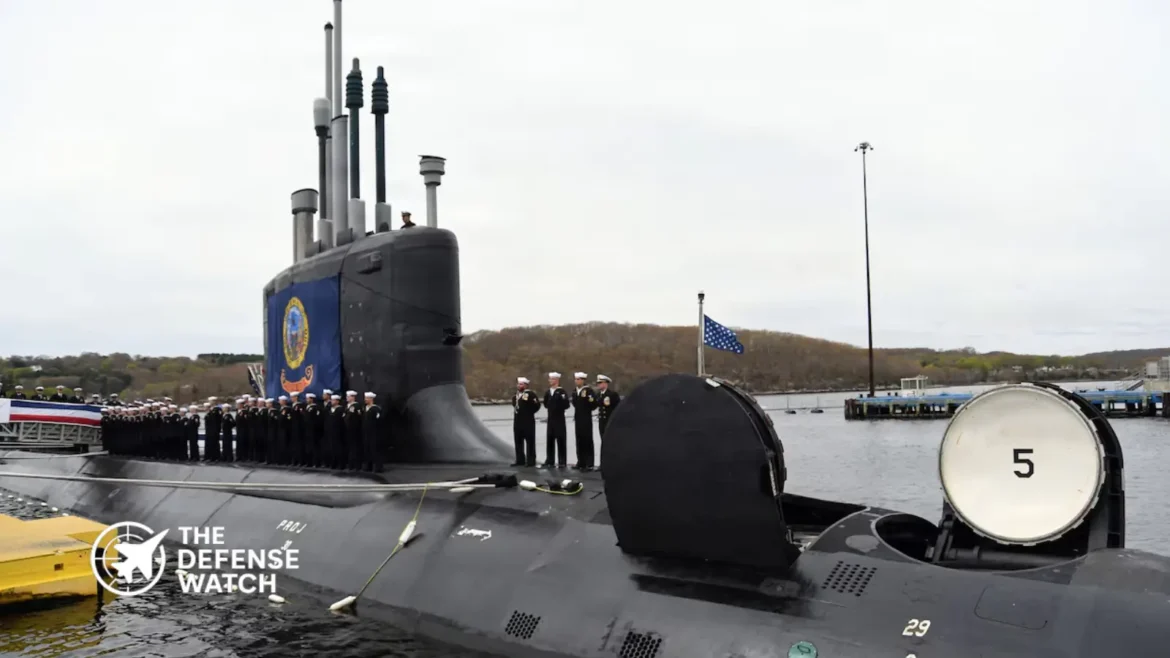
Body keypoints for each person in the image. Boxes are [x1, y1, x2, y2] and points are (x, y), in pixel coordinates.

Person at [511, 377, 541, 467]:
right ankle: (520, 460)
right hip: (518, 421)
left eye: (521, 384)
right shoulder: (516, 395)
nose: (519, 386)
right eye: (518, 384)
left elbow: (537, 405)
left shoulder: (530, 394)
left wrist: (529, 413)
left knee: (530, 442)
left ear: (526, 385)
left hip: (528, 422)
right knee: (518, 441)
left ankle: (531, 461)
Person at [571, 372, 598, 471]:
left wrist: (586, 409)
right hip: (578, 418)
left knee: (587, 440)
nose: (577, 381)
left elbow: (593, 404)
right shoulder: (575, 391)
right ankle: (581, 461)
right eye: (576, 379)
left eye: (578, 379)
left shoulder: (588, 391)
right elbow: (574, 403)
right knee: (579, 440)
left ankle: (589, 463)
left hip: (586, 418)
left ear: (583, 380)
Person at [542, 372, 570, 468]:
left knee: (561, 440)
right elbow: (545, 404)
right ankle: (550, 460)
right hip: (550, 419)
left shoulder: (561, 392)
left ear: (557, 380)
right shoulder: (548, 392)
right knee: (550, 440)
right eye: (550, 379)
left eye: (552, 379)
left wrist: (558, 407)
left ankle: (562, 461)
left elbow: (566, 404)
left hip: (559, 419)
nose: (550, 380)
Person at [362, 392, 383, 472]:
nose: (365, 400)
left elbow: (379, 421)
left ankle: (377, 467)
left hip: (374, 433)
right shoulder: (365, 408)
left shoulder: (376, 409)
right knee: (367, 449)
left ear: (371, 399)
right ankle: (368, 466)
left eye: (367, 398)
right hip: (366, 432)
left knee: (375, 450)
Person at [595, 375, 621, 439]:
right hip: (601, 422)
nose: (598, 384)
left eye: (600, 383)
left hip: (610, 421)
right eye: (598, 383)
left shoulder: (612, 394)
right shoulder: (598, 395)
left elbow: (619, 408)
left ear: (605, 383)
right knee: (603, 439)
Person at [344, 391, 363, 470]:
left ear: (353, 397)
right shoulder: (347, 406)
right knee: (350, 447)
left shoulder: (357, 406)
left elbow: (358, 418)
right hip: (347, 430)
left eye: (348, 396)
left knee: (355, 448)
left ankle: (357, 465)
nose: (347, 398)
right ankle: (351, 464)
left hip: (354, 430)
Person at [304, 392, 322, 467]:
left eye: (308, 398)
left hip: (313, 430)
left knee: (315, 447)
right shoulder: (307, 407)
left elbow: (317, 419)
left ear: (312, 399)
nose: (306, 400)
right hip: (307, 430)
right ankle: (309, 462)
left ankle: (316, 462)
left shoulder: (315, 407)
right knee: (308, 446)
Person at [327, 394, 345, 469]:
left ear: (337, 401)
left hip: (338, 431)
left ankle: (341, 464)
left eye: (333, 400)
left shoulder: (340, 409)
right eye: (331, 400)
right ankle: (333, 463)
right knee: (332, 448)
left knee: (339, 448)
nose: (332, 401)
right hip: (331, 431)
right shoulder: (330, 409)